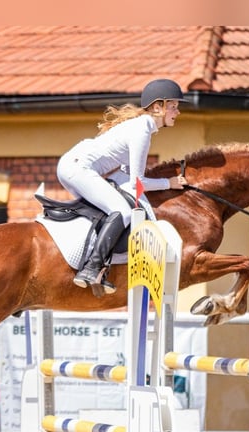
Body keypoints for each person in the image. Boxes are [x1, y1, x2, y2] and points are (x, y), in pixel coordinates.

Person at [56, 78, 188, 295]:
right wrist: (170, 183)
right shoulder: (142, 130)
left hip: (73, 166)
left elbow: (126, 176)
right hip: (79, 168)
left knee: (109, 210)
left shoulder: (141, 128)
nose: (177, 112)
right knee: (123, 211)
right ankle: (91, 268)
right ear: (158, 107)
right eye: (173, 106)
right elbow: (138, 184)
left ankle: (100, 267)